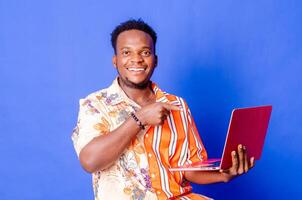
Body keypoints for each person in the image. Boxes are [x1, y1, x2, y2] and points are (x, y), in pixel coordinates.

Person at [71, 19, 255, 200]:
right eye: (126, 52)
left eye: (145, 52)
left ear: (155, 60)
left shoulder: (177, 105)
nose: (136, 59)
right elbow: (90, 161)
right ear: (115, 60)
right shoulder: (95, 104)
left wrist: (224, 175)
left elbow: (188, 169)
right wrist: (140, 118)